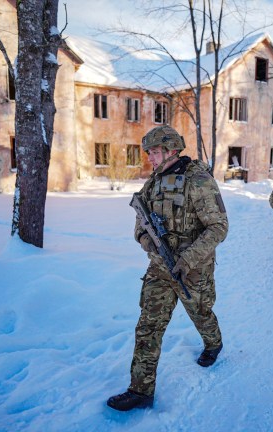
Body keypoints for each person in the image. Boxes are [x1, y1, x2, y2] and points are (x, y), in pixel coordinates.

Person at [107, 125, 229, 411]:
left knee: (201, 313)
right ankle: (140, 391)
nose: (150, 157)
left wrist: (186, 259)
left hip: (193, 270)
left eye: (155, 151)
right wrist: (148, 244)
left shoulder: (198, 181)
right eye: (148, 152)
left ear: (172, 150)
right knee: (148, 328)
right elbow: (140, 223)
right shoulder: (153, 183)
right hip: (160, 269)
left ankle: (214, 344)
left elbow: (219, 227)